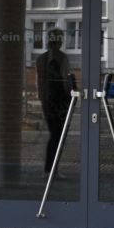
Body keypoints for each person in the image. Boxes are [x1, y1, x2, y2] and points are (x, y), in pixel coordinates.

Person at [35, 29, 72, 176]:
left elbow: (40, 83)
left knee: (56, 135)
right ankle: (50, 169)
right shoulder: (60, 58)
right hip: (55, 102)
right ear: (59, 40)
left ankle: (51, 169)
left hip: (54, 101)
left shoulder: (42, 59)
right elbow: (65, 81)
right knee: (57, 135)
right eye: (60, 38)